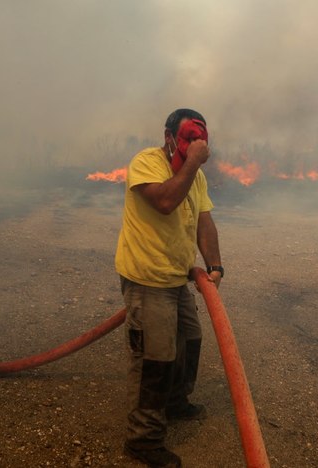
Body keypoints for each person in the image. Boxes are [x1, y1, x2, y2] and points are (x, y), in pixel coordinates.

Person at [115, 108, 223, 467]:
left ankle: (174, 403)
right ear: (168, 136)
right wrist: (192, 164)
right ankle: (143, 440)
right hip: (147, 279)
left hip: (177, 277)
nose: (196, 145)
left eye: (200, 139)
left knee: (189, 341)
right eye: (189, 137)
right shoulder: (146, 162)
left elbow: (204, 222)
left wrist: (214, 266)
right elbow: (164, 202)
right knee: (154, 360)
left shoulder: (197, 177)